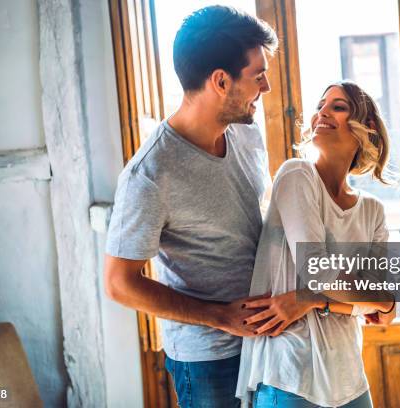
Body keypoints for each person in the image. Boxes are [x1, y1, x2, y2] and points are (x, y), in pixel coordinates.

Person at [103, 6, 277, 408]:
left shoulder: (246, 132)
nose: (265, 87)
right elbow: (118, 283)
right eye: (257, 76)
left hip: (267, 343)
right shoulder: (150, 174)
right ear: (220, 80)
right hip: (207, 361)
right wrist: (221, 317)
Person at [236, 80, 397, 408]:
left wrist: (306, 301)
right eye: (320, 105)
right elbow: (323, 275)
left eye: (338, 107)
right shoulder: (297, 176)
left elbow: (383, 308)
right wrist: (380, 299)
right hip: (291, 375)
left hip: (350, 380)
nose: (322, 112)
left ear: (364, 127)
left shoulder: (372, 211)